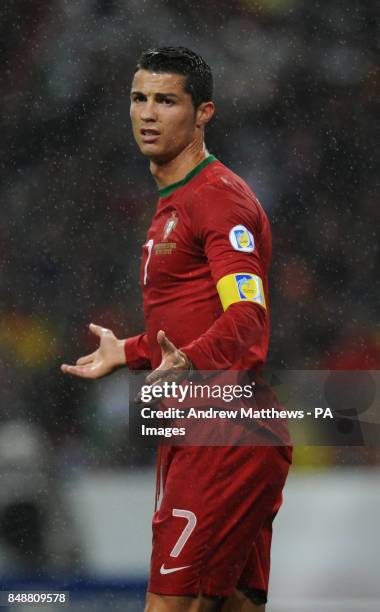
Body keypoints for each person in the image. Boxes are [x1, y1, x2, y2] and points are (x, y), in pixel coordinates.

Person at [61, 47, 291, 612]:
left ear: (203, 112)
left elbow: (245, 316)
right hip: (209, 426)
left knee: (169, 607)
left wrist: (188, 361)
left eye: (167, 100)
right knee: (232, 606)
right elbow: (193, 320)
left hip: (223, 430)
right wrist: (133, 350)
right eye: (140, 98)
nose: (148, 113)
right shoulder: (174, 202)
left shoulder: (217, 200)